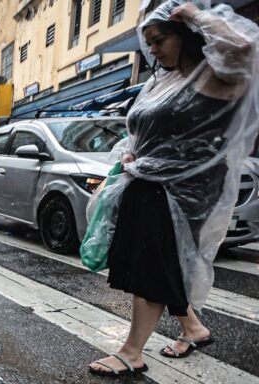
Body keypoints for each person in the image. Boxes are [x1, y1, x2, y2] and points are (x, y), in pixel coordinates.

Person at [87, 0, 258, 377]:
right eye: (148, 42)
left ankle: (132, 351)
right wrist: (131, 154)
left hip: (183, 190)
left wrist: (195, 14)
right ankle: (193, 328)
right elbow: (142, 130)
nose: (153, 49)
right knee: (159, 264)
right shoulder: (162, 80)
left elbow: (246, 48)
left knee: (152, 265)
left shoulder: (215, 74)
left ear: (185, 36)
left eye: (160, 39)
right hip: (147, 183)